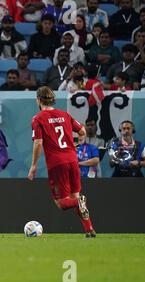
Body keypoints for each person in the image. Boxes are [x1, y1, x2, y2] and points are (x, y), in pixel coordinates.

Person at [28, 86, 96, 238]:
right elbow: (82, 131)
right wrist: (76, 144)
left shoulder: (37, 118)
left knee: (62, 202)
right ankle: (89, 229)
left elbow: (38, 143)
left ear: (38, 100)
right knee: (75, 196)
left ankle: (79, 203)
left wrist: (33, 166)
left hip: (57, 163)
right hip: (72, 160)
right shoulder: (64, 115)